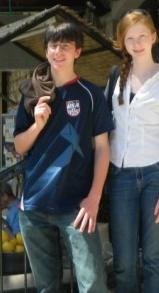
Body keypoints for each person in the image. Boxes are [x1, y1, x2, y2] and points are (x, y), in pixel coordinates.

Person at [13, 21, 112, 293]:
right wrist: (37, 125)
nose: (58, 51)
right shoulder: (31, 94)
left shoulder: (91, 95)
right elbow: (19, 146)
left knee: (92, 284)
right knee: (46, 288)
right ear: (46, 51)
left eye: (65, 46)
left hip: (76, 207)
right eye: (53, 46)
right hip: (34, 205)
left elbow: (103, 148)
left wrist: (94, 198)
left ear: (77, 51)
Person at [107, 9, 159, 293]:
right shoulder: (116, 78)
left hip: (156, 177)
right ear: (122, 43)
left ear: (153, 37)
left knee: (154, 259)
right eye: (130, 38)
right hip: (120, 178)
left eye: (142, 36)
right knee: (123, 263)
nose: (137, 43)